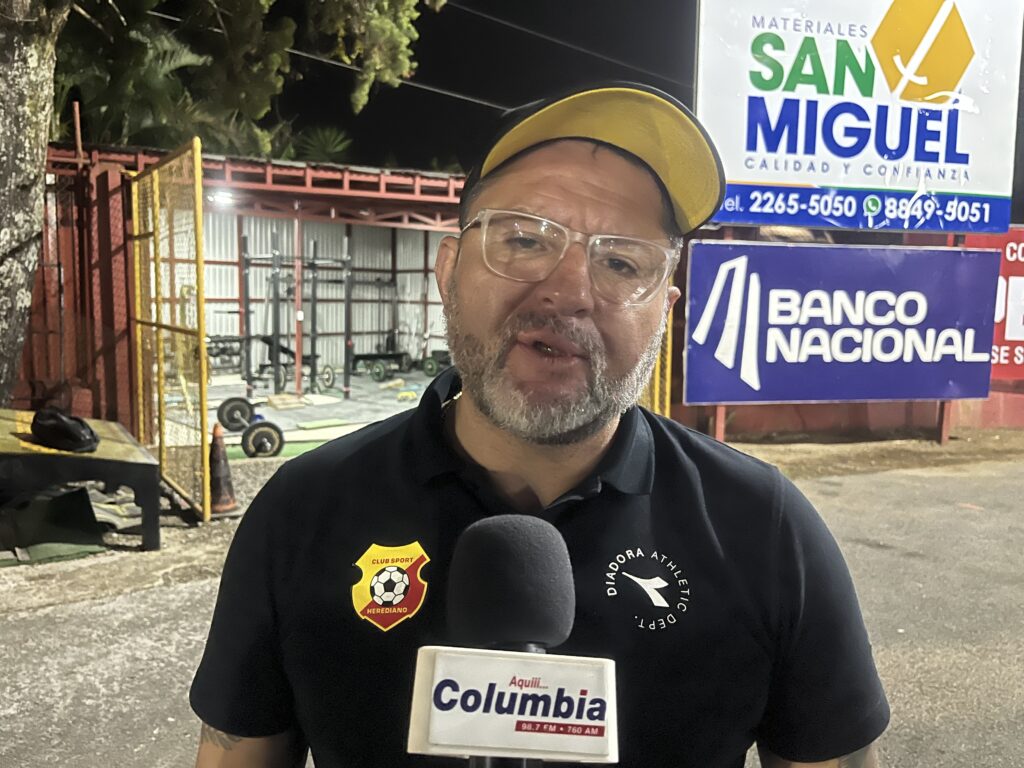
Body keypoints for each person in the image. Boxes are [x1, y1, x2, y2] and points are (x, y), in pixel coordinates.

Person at [190, 82, 889, 768]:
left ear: (665, 310)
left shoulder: (764, 529)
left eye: (621, 262)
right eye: (525, 240)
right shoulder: (304, 511)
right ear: (448, 270)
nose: (568, 291)